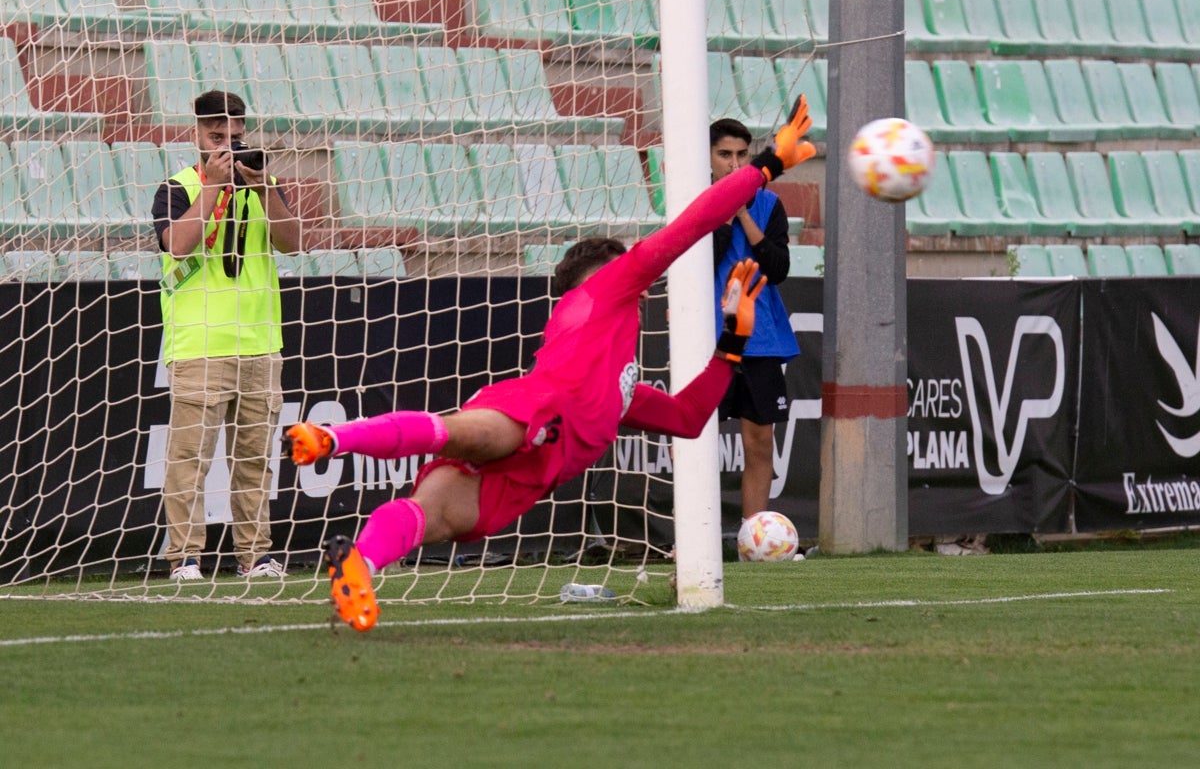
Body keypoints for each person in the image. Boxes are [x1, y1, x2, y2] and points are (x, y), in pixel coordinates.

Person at [285, 97, 816, 630]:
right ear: (599, 276)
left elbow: (686, 417)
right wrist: (766, 166)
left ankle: (360, 566)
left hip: (536, 472)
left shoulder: (622, 381)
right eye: (623, 268)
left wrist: (731, 344)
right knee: (458, 435)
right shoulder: (607, 289)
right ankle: (333, 438)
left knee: (434, 516)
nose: (639, 278)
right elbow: (692, 225)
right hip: (538, 407)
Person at [152, 90, 302, 581]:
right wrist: (214, 188)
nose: (227, 146)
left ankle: (255, 555)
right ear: (196, 135)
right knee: (188, 461)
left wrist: (259, 188)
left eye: (235, 137)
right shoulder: (177, 187)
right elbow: (177, 245)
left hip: (260, 342)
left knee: (255, 460)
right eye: (217, 137)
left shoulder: (265, 182)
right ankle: (185, 558)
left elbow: (294, 243)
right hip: (199, 344)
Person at [709, 118, 801, 524]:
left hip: (760, 339)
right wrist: (724, 215)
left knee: (760, 442)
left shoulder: (769, 205)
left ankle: (753, 540)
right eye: (724, 155)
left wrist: (745, 214)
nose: (733, 163)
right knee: (697, 443)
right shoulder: (696, 201)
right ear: (708, 158)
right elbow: (695, 264)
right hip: (708, 339)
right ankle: (694, 540)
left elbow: (778, 269)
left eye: (742, 155)